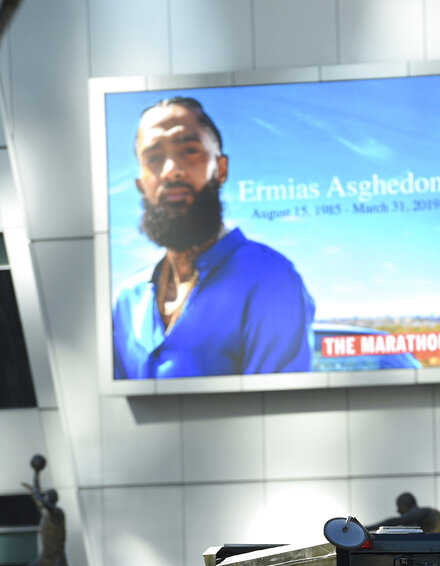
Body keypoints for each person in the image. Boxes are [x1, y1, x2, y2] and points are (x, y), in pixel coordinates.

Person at [113, 95, 315, 379]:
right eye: (154, 158)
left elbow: (278, 411)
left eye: (189, 150)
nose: (171, 170)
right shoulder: (127, 299)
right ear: (141, 184)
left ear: (221, 169)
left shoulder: (271, 281)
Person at [15, 455, 66, 566]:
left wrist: (37, 491)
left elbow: (41, 499)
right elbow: (37, 495)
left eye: (46, 498)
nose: (44, 500)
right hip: (44, 561)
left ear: (51, 500)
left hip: (56, 565)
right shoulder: (45, 515)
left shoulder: (57, 514)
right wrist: (35, 474)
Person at [368, 492, 440, 533]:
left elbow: (394, 522)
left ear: (405, 504)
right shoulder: (436, 515)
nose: (398, 511)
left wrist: (366, 528)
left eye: (399, 507)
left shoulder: (420, 512)